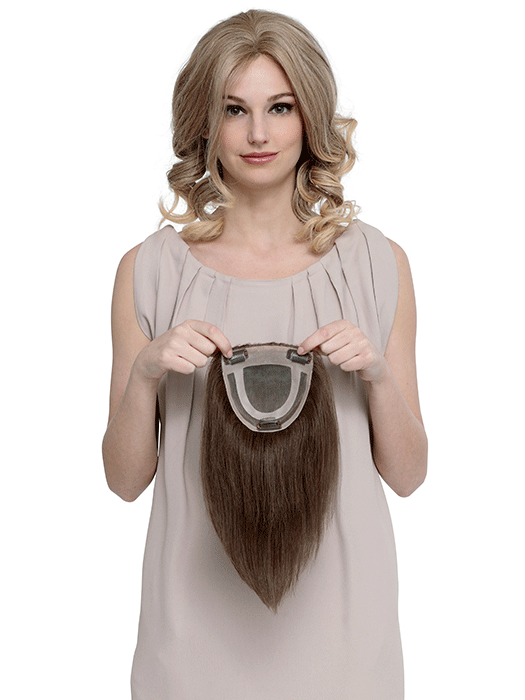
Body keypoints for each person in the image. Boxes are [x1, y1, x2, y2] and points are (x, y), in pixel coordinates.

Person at [102, 9, 427, 700]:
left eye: (279, 108)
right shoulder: (148, 270)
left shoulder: (378, 263)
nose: (257, 134)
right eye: (234, 109)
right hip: (191, 638)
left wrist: (375, 375)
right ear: (204, 122)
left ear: (309, 117)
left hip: (344, 636)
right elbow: (125, 482)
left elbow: (408, 475)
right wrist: (145, 373)